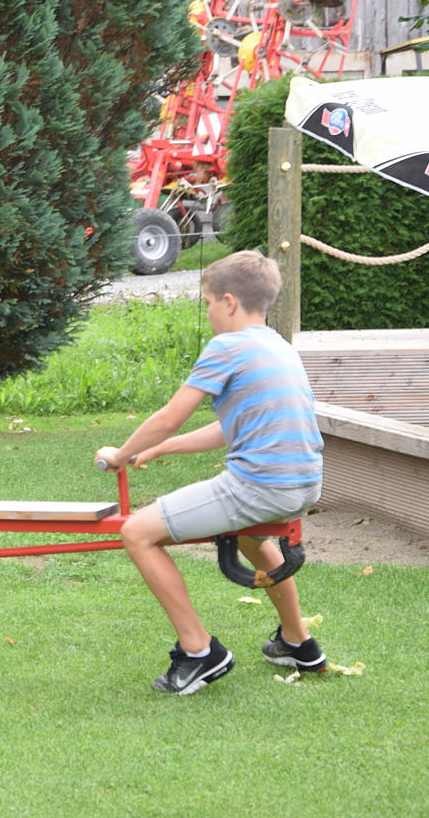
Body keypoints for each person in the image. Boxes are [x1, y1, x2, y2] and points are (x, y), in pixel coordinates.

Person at [95, 250, 326, 695]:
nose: (208, 314)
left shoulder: (227, 347)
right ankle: (298, 641)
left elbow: (170, 416)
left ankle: (200, 651)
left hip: (259, 485)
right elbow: (234, 425)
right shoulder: (278, 345)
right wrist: (162, 449)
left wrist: (121, 453)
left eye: (207, 304)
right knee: (251, 538)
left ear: (229, 302)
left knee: (137, 532)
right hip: (303, 482)